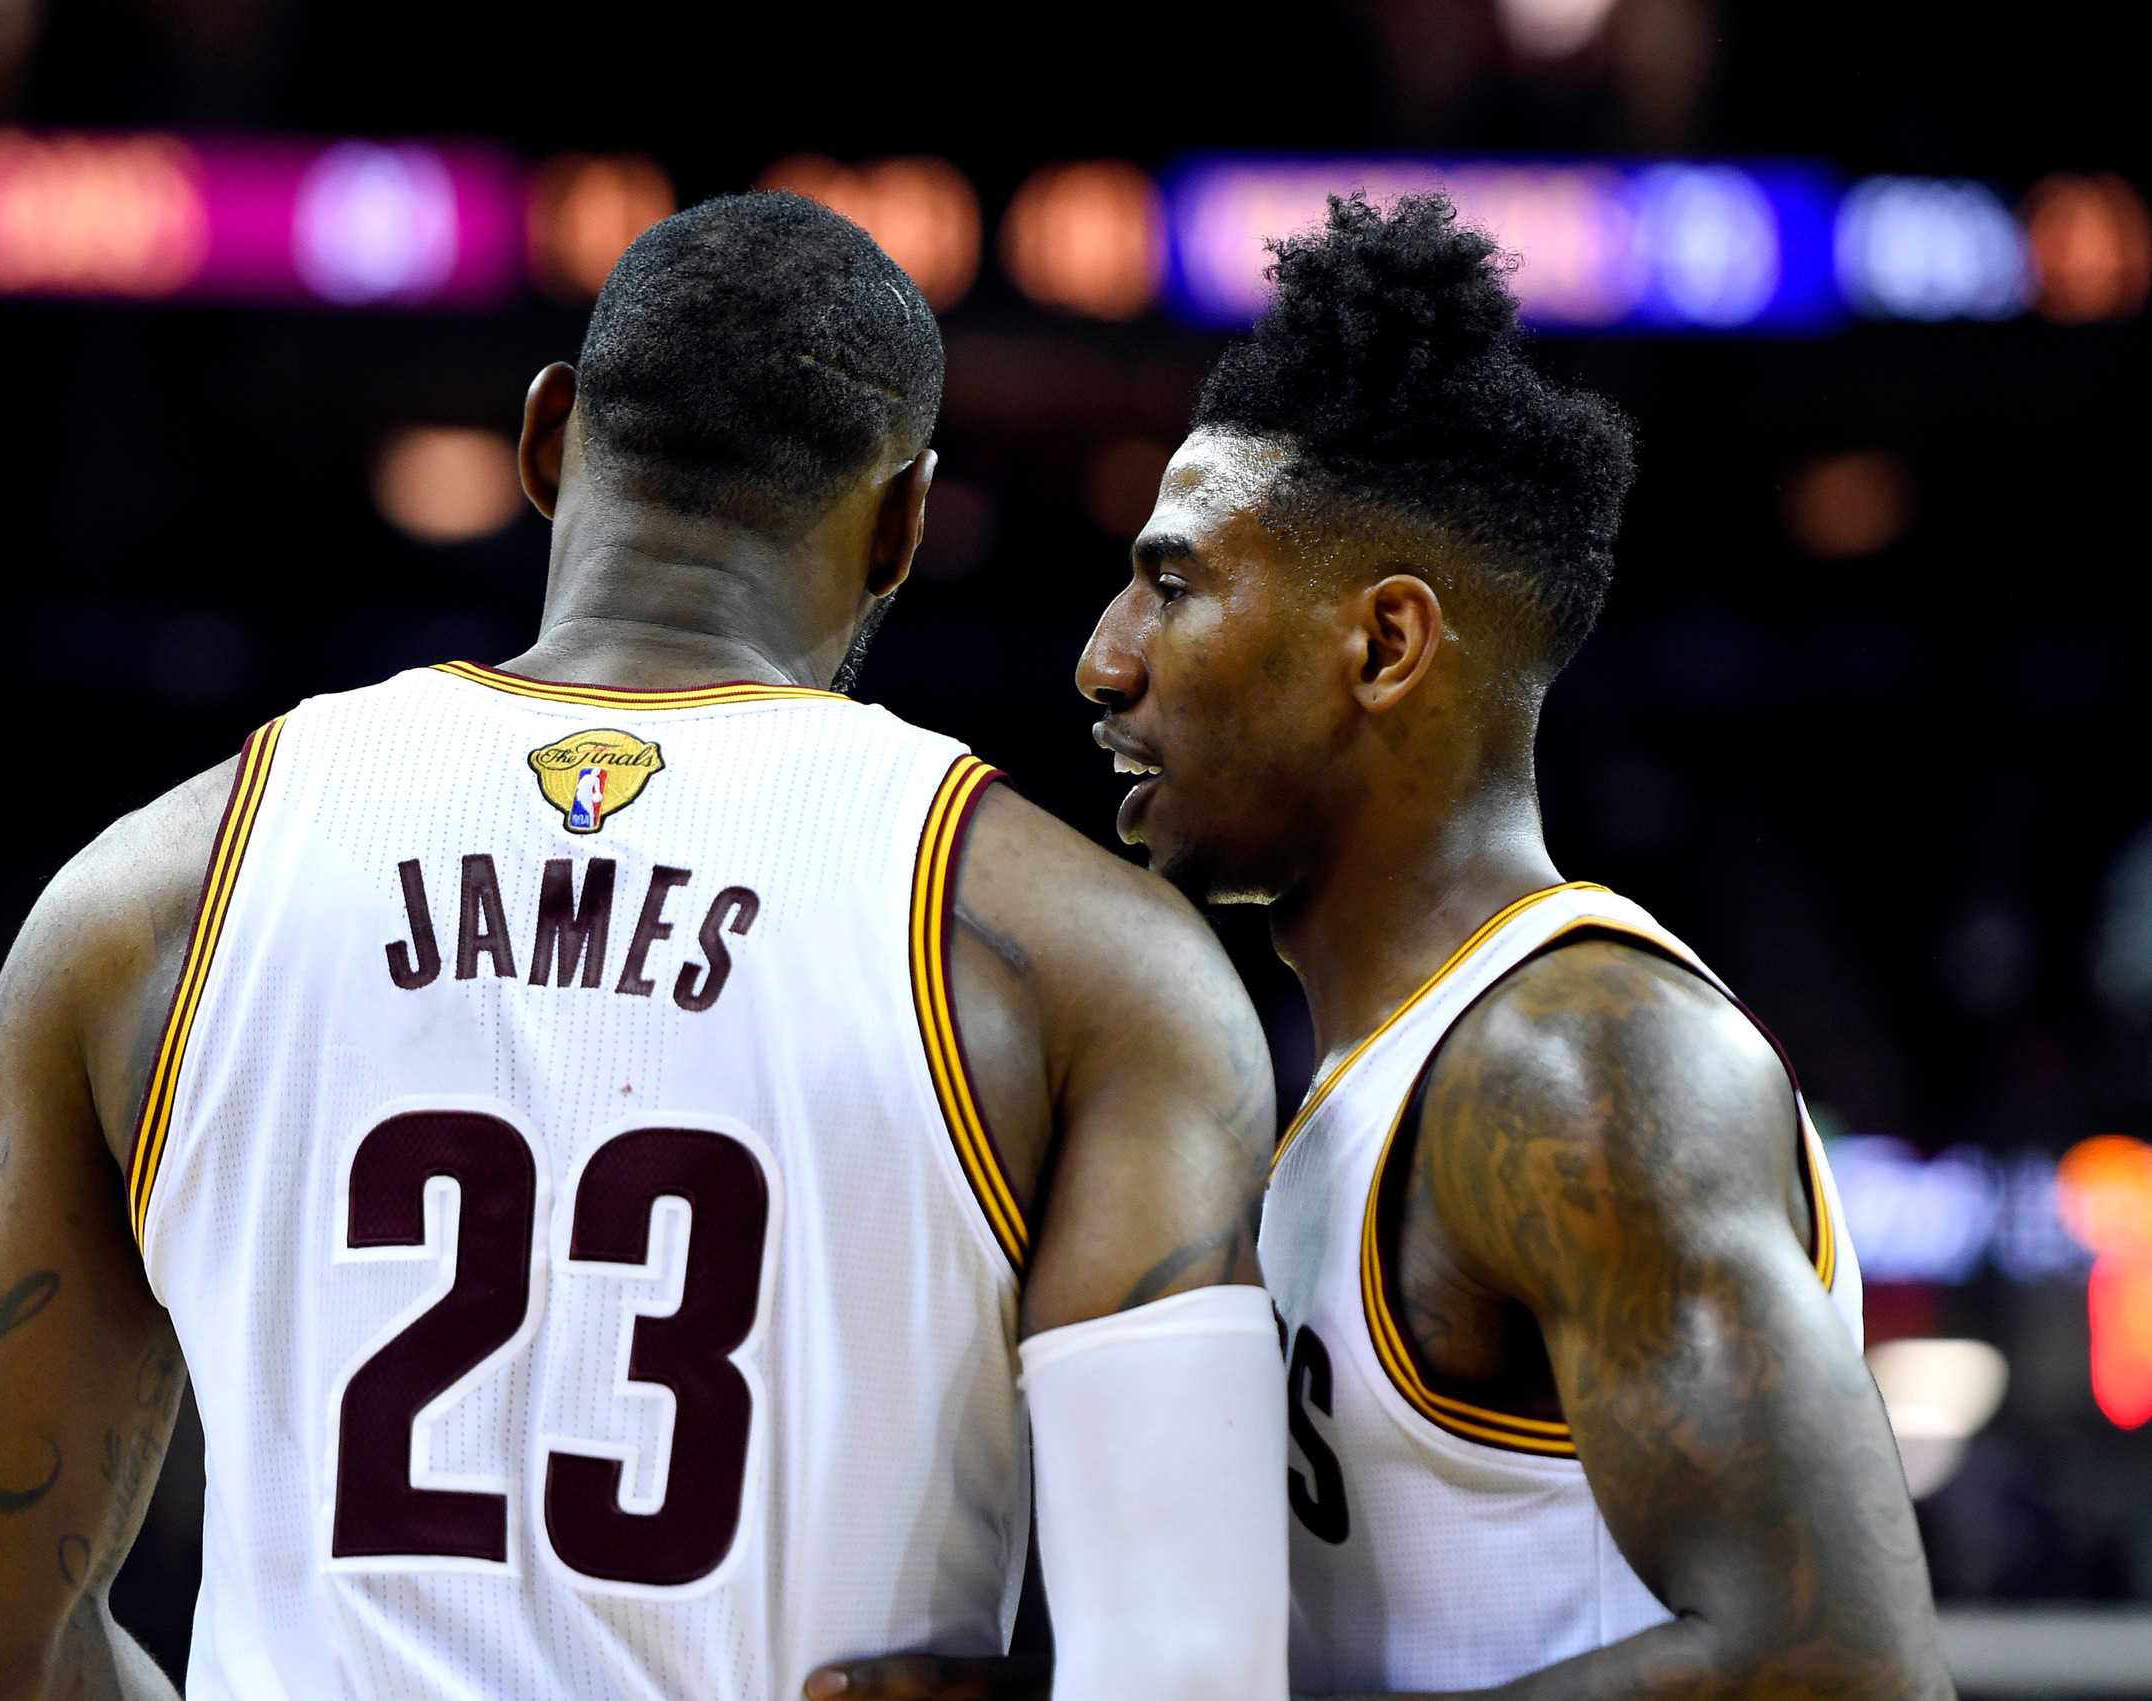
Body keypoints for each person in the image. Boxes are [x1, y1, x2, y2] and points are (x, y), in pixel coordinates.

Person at [0, 194, 1289, 1701]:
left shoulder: (146, 901)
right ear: (902, 525)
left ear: (548, 438)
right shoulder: (1083, 963)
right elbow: (1182, 1662)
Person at [812, 195, 1952, 1701]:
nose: (1103, 658)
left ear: (1384, 644)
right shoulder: (1367, 1092)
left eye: (1173, 581)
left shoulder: (1581, 1061)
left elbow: (1843, 1669)